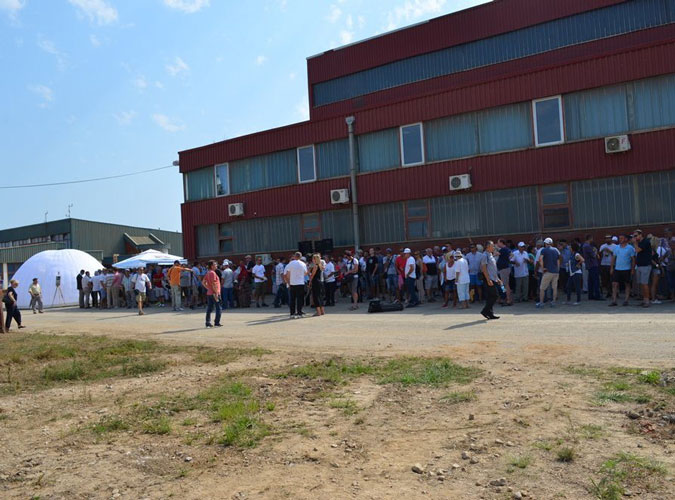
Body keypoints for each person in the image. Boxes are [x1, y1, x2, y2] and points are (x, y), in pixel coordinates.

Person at [609, 234, 636, 306]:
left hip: (627, 269)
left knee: (627, 284)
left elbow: (633, 259)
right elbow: (613, 258)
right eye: (619, 238)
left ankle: (626, 300)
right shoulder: (616, 247)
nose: (620, 240)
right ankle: (614, 300)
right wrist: (611, 268)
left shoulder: (630, 248)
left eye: (621, 238)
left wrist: (632, 269)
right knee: (614, 284)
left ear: (626, 239)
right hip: (617, 269)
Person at [537, 238, 561, 308]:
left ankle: (541, 303)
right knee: (554, 288)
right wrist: (558, 270)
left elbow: (540, 259)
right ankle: (553, 302)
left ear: (545, 243)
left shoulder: (543, 250)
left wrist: (542, 268)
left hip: (548, 272)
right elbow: (558, 261)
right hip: (555, 272)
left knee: (542, 288)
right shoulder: (556, 250)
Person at [480, 241, 501, 320]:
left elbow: (493, 268)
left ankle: (490, 313)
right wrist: (488, 280)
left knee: (490, 297)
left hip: (493, 278)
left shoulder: (490, 255)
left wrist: (497, 278)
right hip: (489, 279)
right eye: (492, 246)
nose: (494, 247)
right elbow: (484, 268)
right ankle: (485, 311)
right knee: (495, 295)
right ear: (488, 247)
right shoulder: (485, 255)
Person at [285, 251, 308, 319]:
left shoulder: (291, 263)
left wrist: (288, 282)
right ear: (300, 257)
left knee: (292, 299)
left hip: (293, 283)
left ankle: (292, 313)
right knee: (300, 299)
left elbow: (287, 274)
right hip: (300, 283)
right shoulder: (303, 264)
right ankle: (299, 312)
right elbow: (305, 273)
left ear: (295, 256)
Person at [632, 229, 652, 307]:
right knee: (641, 284)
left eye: (636, 236)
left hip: (645, 266)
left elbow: (638, 250)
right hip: (639, 266)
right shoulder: (639, 243)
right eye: (634, 236)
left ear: (640, 235)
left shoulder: (645, 242)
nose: (634, 237)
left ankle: (647, 301)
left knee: (644, 284)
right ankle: (644, 299)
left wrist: (634, 243)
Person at [203, 260, 222, 328]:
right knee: (218, 308)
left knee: (210, 308)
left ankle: (208, 322)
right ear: (211, 266)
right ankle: (217, 322)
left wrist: (208, 288)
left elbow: (203, 282)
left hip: (210, 293)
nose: (216, 265)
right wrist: (216, 292)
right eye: (215, 264)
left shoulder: (208, 273)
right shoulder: (213, 273)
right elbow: (214, 283)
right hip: (214, 293)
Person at [582, 234, 602, 301]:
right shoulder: (587, 246)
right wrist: (595, 250)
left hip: (589, 264)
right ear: (590, 238)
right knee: (596, 280)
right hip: (593, 264)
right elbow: (593, 255)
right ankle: (597, 295)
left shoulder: (585, 246)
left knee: (590, 281)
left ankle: (591, 295)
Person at [496, 239, 513, 305]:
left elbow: (495, 254)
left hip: (504, 269)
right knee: (504, 284)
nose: (497, 244)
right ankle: (507, 298)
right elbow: (512, 255)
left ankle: (508, 299)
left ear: (501, 243)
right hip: (504, 269)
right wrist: (507, 259)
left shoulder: (503, 249)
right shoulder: (507, 249)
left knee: (506, 285)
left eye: (498, 242)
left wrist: (494, 248)